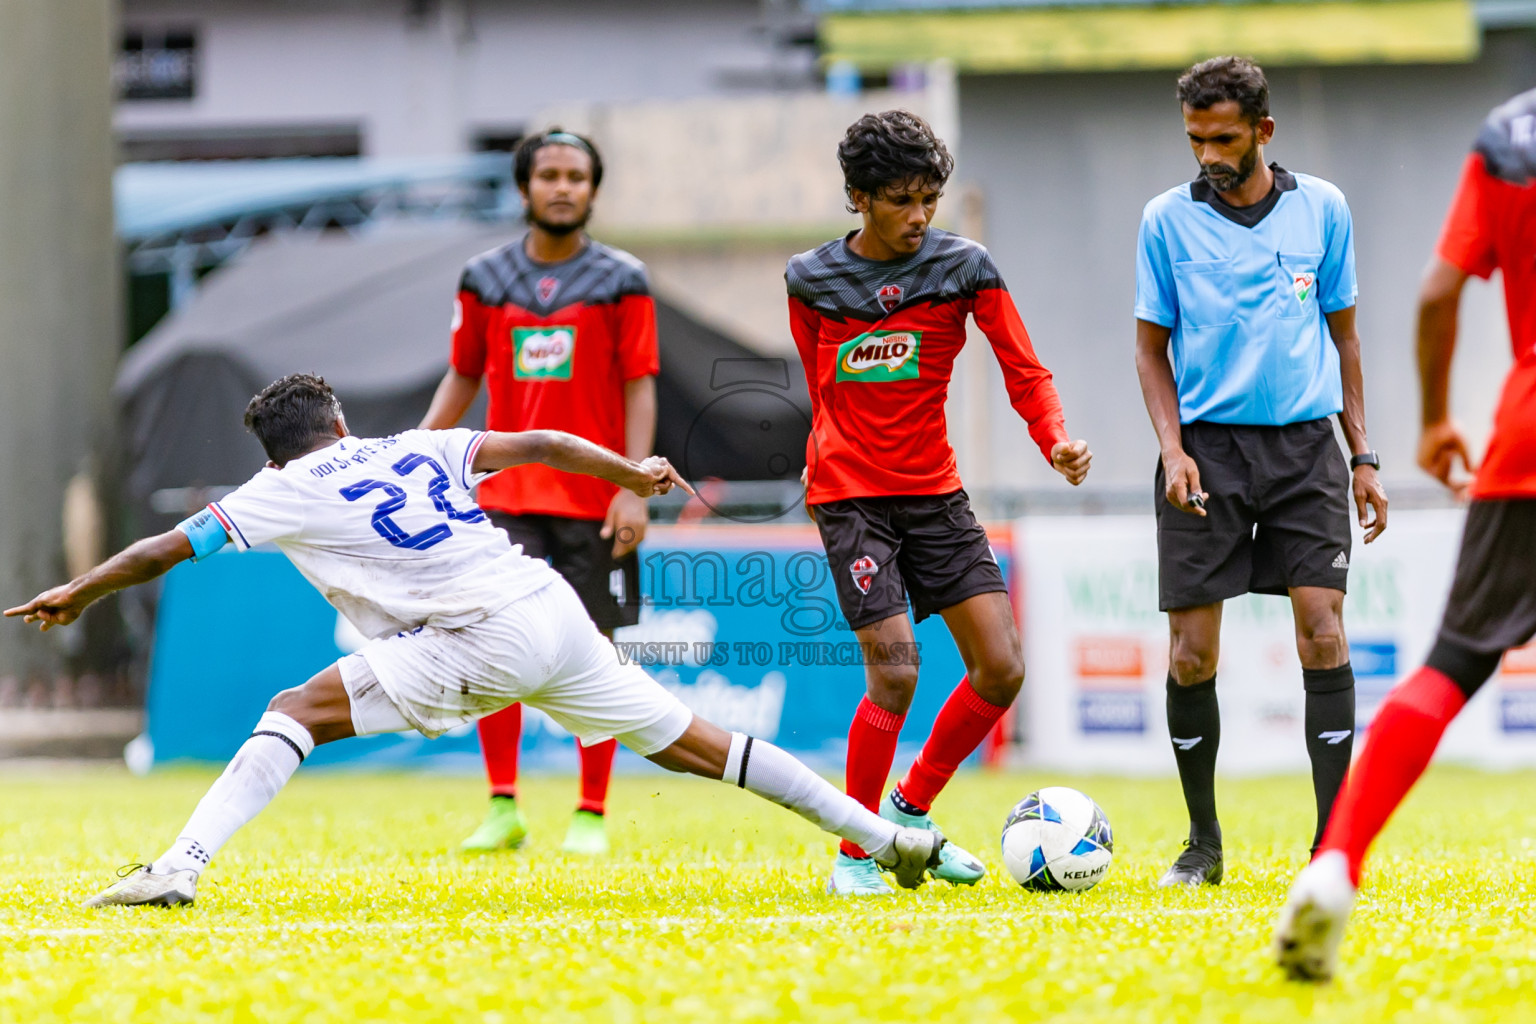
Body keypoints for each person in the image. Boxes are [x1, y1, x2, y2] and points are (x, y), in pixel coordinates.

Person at [5, 374, 944, 908]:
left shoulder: (276, 489)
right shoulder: (416, 444)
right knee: (697, 742)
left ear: (276, 452)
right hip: (547, 608)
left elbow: (167, 547)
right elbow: (536, 441)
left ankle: (180, 868)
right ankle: (881, 835)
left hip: (474, 636)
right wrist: (627, 467)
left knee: (292, 712)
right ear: (339, 423)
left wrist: (80, 591)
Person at [786, 110, 1093, 896]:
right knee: (896, 672)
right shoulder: (811, 280)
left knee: (1002, 666)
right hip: (851, 496)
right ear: (858, 198)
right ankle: (856, 855)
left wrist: (1053, 438)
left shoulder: (966, 268)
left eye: (930, 198)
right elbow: (824, 394)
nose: (920, 216)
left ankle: (911, 811)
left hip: (935, 492)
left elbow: (1024, 370)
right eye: (900, 200)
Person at [1274, 87, 1536, 982]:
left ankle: (1336, 864)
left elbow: (1437, 294)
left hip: (1526, 446)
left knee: (1452, 666)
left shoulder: (1510, 134)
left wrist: (1430, 423)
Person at [1133, 57, 1389, 887]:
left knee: (1323, 628)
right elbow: (1149, 350)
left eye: (1224, 138)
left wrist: (1363, 456)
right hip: (1206, 453)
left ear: (1263, 133)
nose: (1206, 153)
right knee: (1191, 655)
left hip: (1306, 450)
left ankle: (1332, 850)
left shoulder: (1325, 209)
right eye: (1195, 138)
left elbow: (1345, 338)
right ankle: (1202, 846)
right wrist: (1173, 450)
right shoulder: (1163, 221)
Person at [420, 129, 656, 857]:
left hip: (593, 504)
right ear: (524, 188)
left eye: (576, 176)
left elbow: (638, 382)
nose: (562, 187)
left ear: (593, 189)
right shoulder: (484, 279)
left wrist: (633, 485)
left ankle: (591, 812)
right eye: (548, 174)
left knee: (598, 651)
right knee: (494, 645)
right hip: (505, 500)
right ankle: (503, 808)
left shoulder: (622, 280)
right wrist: (415, 456)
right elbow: (462, 374)